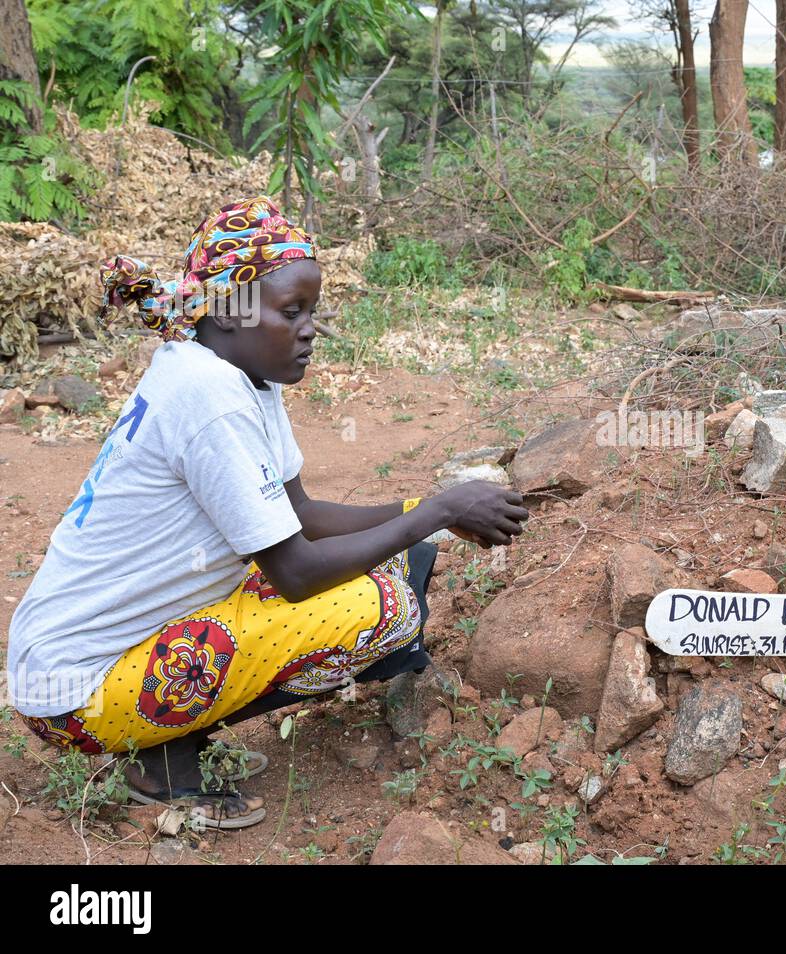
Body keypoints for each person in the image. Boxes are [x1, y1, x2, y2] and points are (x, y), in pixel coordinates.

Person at [4, 196, 528, 828]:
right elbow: (297, 572)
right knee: (384, 610)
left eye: (312, 309)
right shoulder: (210, 396)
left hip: (87, 657)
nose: (311, 328)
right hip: (69, 696)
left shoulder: (234, 369)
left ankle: (162, 738)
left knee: (395, 561)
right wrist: (439, 511)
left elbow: (299, 513)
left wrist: (424, 510)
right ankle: (165, 757)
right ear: (228, 312)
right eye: (291, 311)